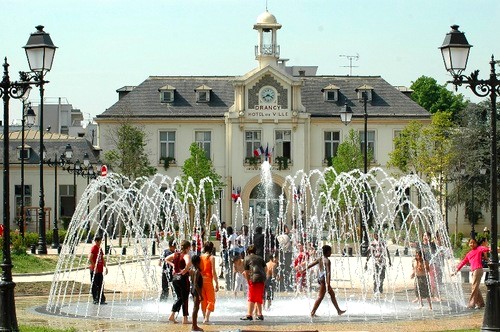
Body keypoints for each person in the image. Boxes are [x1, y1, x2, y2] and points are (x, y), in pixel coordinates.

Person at [307, 245, 345, 317]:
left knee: (332, 294)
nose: (331, 253)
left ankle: (338, 310)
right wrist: (328, 283)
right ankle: (312, 312)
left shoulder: (320, 259)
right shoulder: (327, 261)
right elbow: (328, 273)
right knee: (320, 297)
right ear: (327, 252)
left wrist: (304, 270)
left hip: (320, 279)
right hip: (324, 280)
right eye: (330, 251)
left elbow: (311, 265)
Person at [452, 238, 490, 309]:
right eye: (471, 243)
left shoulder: (479, 248)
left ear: (476, 243)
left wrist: (491, 248)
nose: (472, 244)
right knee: (476, 287)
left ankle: (471, 304)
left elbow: (485, 249)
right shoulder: (469, 254)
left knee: (474, 287)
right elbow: (463, 262)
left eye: (474, 243)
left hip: (478, 270)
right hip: (474, 271)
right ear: (469, 244)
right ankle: (481, 303)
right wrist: (456, 270)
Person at [166, 240, 192, 324]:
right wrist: (184, 271)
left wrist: (173, 265)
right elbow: (188, 263)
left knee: (180, 298)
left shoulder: (175, 254)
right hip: (183, 279)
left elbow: (166, 259)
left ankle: (173, 315)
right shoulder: (186, 255)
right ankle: (184, 318)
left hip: (175, 278)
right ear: (188, 247)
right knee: (184, 298)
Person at [240, 245, 266, 321]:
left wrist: (248, 281)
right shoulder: (260, 258)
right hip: (261, 278)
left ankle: (249, 315)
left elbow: (247, 272)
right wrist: (264, 278)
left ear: (248, 251)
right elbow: (265, 269)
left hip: (253, 278)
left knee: (251, 297)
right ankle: (260, 315)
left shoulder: (246, 258)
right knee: (258, 296)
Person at [199, 241, 219, 324]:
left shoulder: (200, 257)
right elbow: (213, 271)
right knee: (211, 300)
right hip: (208, 280)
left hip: (200, 280)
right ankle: (206, 318)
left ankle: (204, 317)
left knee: (203, 300)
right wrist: (217, 283)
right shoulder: (211, 257)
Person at [88, 236, 108, 305]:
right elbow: (90, 258)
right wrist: (95, 267)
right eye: (99, 241)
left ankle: (101, 299)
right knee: (95, 285)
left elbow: (102, 258)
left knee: (101, 284)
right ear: (96, 241)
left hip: (100, 270)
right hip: (94, 271)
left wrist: (105, 267)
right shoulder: (94, 248)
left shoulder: (100, 249)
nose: (100, 243)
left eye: (101, 241)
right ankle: (95, 299)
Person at [190, 255, 204, 332]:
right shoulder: (197, 271)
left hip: (193, 290)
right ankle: (194, 326)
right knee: (196, 308)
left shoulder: (192, 269)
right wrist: (200, 295)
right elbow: (195, 283)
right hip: (196, 291)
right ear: (198, 262)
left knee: (196, 308)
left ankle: (194, 325)